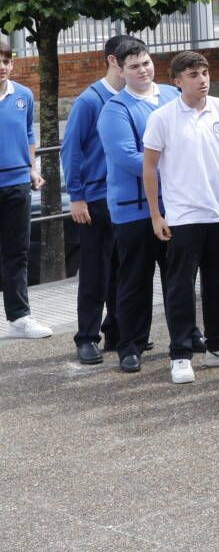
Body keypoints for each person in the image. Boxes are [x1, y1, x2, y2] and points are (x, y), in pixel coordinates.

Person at [142, 51, 219, 383]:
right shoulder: (162, 117)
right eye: (193, 74)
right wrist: (155, 214)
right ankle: (180, 353)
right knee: (179, 285)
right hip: (182, 215)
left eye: (205, 72)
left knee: (217, 283)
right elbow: (149, 168)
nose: (202, 79)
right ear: (178, 81)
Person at [97, 41, 178, 371]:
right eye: (133, 66)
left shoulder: (172, 96)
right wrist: (177, 166)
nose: (143, 70)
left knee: (178, 278)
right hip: (134, 210)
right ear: (120, 70)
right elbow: (128, 157)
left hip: (175, 205)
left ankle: (186, 336)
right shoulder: (115, 109)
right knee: (135, 281)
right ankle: (130, 346)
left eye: (145, 63)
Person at [59, 34, 137, 362]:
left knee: (124, 269)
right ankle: (86, 337)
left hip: (125, 198)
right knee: (94, 270)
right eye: (130, 62)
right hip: (94, 198)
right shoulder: (90, 100)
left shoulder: (136, 97)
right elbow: (71, 149)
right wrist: (76, 196)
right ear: (112, 61)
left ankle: (117, 331)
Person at [0, 40, 49, 342]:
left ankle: (19, 317)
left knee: (17, 254)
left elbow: (28, 133)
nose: (2, 67)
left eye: (6, 60)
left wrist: (32, 168)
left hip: (17, 184)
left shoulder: (24, 96)